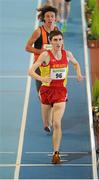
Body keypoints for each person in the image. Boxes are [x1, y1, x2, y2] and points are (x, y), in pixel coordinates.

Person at [28, 30, 83, 164]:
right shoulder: (46, 55)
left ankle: (56, 153)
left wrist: (79, 74)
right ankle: (48, 122)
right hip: (46, 91)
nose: (58, 43)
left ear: (63, 41)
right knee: (47, 123)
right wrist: (41, 78)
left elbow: (76, 63)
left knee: (57, 122)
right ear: (51, 42)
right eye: (55, 40)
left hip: (60, 92)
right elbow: (30, 71)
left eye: (60, 40)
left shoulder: (67, 54)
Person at [25, 5, 58, 132]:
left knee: (54, 94)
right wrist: (41, 51)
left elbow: (60, 46)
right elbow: (27, 47)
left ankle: (49, 122)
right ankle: (46, 122)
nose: (50, 18)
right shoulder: (38, 31)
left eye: (52, 16)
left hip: (53, 68)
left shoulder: (56, 30)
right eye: (48, 16)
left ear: (55, 19)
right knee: (42, 95)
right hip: (40, 68)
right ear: (44, 18)